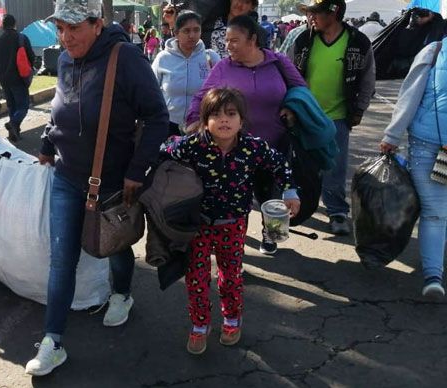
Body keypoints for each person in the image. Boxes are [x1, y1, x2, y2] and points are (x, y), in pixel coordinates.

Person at [25, 0, 168, 376]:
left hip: (113, 181)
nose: (65, 36)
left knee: (114, 245)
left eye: (74, 28)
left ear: (97, 24)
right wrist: (46, 141)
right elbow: (62, 107)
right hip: (67, 177)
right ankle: (52, 341)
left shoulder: (126, 58)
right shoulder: (67, 58)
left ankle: (122, 293)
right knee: (62, 260)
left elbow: (157, 116)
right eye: (60, 28)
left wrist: (137, 170)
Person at [161, 88, 300, 354]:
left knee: (230, 277)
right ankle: (200, 325)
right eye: (215, 115)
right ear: (204, 120)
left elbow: (280, 164)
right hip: (199, 225)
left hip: (234, 224)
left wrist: (290, 190)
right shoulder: (193, 145)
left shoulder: (252, 147)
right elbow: (164, 151)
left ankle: (232, 320)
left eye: (231, 114)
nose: (224, 120)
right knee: (197, 279)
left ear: (241, 120)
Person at [186, 15, 307, 255]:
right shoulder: (223, 67)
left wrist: (292, 108)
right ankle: (234, 242)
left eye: (234, 41)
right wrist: (192, 121)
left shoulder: (278, 63)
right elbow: (202, 96)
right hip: (236, 148)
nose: (228, 46)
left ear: (252, 39)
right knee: (238, 198)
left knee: (270, 194)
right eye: (227, 41)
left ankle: (270, 234)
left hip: (275, 142)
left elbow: (301, 89)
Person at [288, 0, 375, 235]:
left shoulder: (357, 42)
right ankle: (298, 208)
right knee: (300, 166)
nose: (311, 17)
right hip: (304, 116)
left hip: (337, 117)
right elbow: (286, 72)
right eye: (309, 13)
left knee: (334, 167)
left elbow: (368, 79)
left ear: (334, 13)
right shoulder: (303, 40)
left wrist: (359, 109)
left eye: (315, 12)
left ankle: (337, 212)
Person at [379, 37, 447, 298]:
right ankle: (433, 275)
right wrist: (392, 135)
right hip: (428, 147)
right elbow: (410, 94)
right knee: (435, 212)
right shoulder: (434, 50)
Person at [151, 10, 221, 136]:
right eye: (186, 31)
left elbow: (222, 90)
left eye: (196, 30)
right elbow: (150, 90)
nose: (192, 35)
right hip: (168, 125)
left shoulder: (211, 57)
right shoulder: (163, 58)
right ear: (176, 33)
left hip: (202, 125)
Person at [0, 14, 35, 142]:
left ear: (3, 26)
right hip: (19, 79)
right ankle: (13, 123)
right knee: (23, 106)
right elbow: (32, 57)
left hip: (5, 80)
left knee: (12, 106)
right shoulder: (22, 38)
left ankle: (14, 134)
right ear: (15, 24)